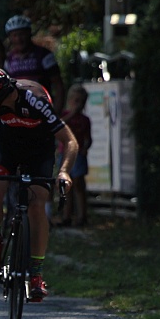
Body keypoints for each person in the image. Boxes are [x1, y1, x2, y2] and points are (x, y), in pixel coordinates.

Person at [0, 66, 76, 301]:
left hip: (40, 150)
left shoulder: (34, 100)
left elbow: (70, 141)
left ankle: (36, 274)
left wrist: (64, 172)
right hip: (8, 146)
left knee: (36, 205)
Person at [3, 15, 65, 112]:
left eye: (21, 34)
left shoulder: (44, 55)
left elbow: (58, 85)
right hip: (19, 111)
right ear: (10, 37)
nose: (18, 39)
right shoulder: (9, 59)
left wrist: (57, 110)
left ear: (29, 33)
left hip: (42, 108)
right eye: (14, 35)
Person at [59, 84, 92, 227]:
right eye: (76, 101)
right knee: (66, 186)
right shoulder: (64, 116)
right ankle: (66, 216)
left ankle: (81, 216)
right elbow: (59, 126)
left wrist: (85, 147)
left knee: (79, 184)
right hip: (65, 154)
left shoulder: (85, 120)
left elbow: (88, 138)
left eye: (81, 102)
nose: (78, 105)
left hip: (79, 155)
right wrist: (71, 113)